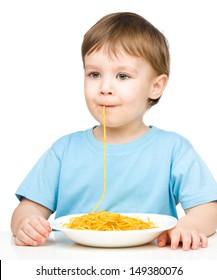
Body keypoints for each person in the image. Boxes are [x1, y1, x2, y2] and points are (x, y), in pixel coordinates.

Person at [11, 12, 217, 250]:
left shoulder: (173, 149)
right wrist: (26, 223)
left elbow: (209, 209)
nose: (105, 88)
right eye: (94, 74)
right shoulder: (64, 150)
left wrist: (190, 225)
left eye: (122, 76)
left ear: (156, 86)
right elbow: (27, 209)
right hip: (72, 263)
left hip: (153, 263)